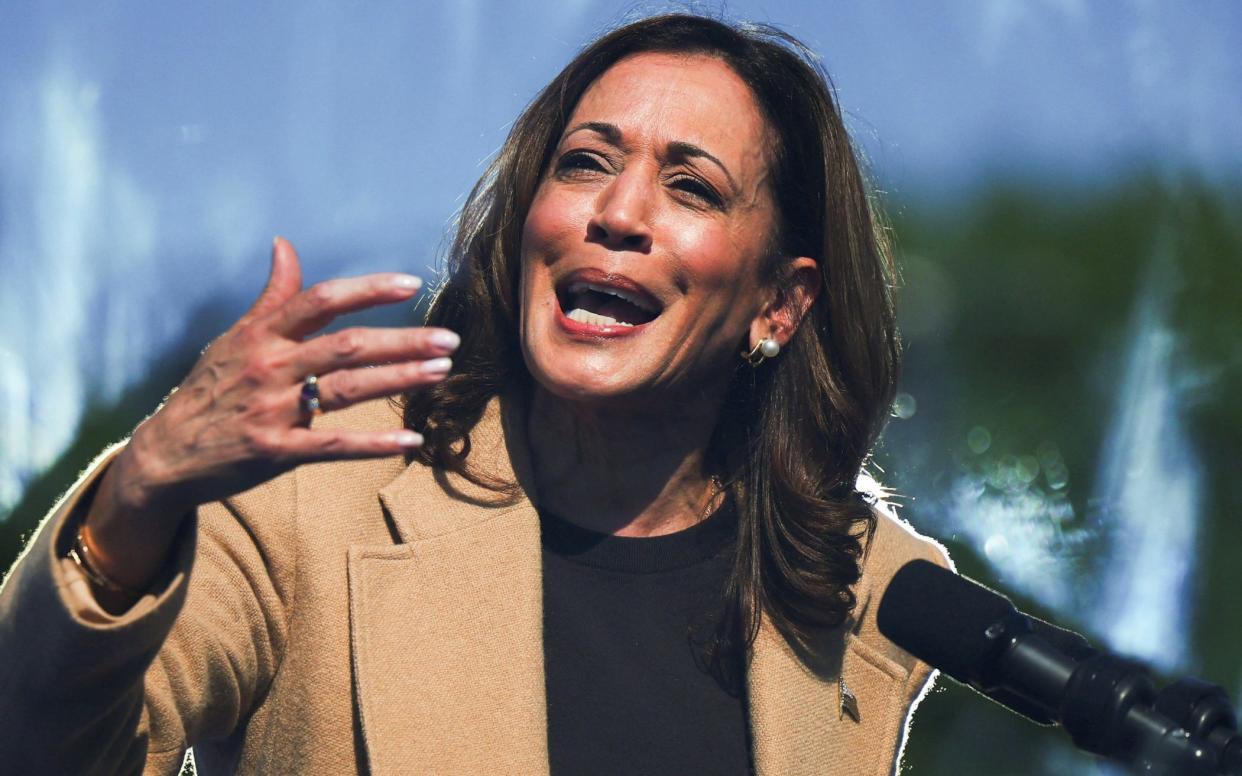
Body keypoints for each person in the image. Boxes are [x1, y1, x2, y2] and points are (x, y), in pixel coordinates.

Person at [0, 13, 949, 775]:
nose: (617, 213)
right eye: (585, 162)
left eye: (691, 187)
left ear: (780, 306)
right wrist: (138, 493)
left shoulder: (870, 592)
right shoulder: (311, 495)